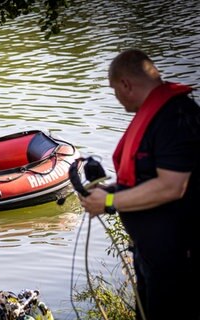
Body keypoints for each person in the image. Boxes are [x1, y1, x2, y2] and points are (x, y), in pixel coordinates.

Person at [79, 49, 200, 320]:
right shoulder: (154, 115)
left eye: (114, 90)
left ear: (126, 84)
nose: (117, 98)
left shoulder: (175, 116)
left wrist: (109, 202)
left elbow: (172, 186)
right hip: (150, 254)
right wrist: (109, 189)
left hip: (177, 259)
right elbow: (146, 178)